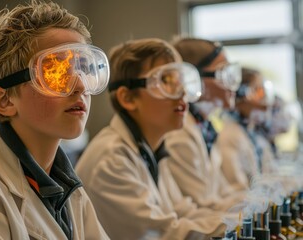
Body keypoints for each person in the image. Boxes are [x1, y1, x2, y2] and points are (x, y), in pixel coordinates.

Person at [0, 1, 109, 239]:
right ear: (5, 100)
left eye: (83, 68)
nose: (81, 86)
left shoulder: (64, 185)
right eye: (55, 72)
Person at [76, 37, 228, 240]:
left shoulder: (150, 149)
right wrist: (237, 225)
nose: (182, 92)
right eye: (166, 81)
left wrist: (243, 218)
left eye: (180, 80)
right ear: (128, 98)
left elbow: (183, 211)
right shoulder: (110, 160)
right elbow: (162, 234)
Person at [164, 37, 246, 210]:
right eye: (224, 73)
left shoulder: (205, 127)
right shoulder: (179, 133)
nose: (234, 85)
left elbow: (222, 192)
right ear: (193, 79)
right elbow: (203, 204)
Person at [217, 67, 275, 189]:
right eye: (259, 92)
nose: (265, 104)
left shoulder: (252, 133)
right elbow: (239, 187)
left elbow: (269, 175)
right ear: (241, 94)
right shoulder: (229, 137)